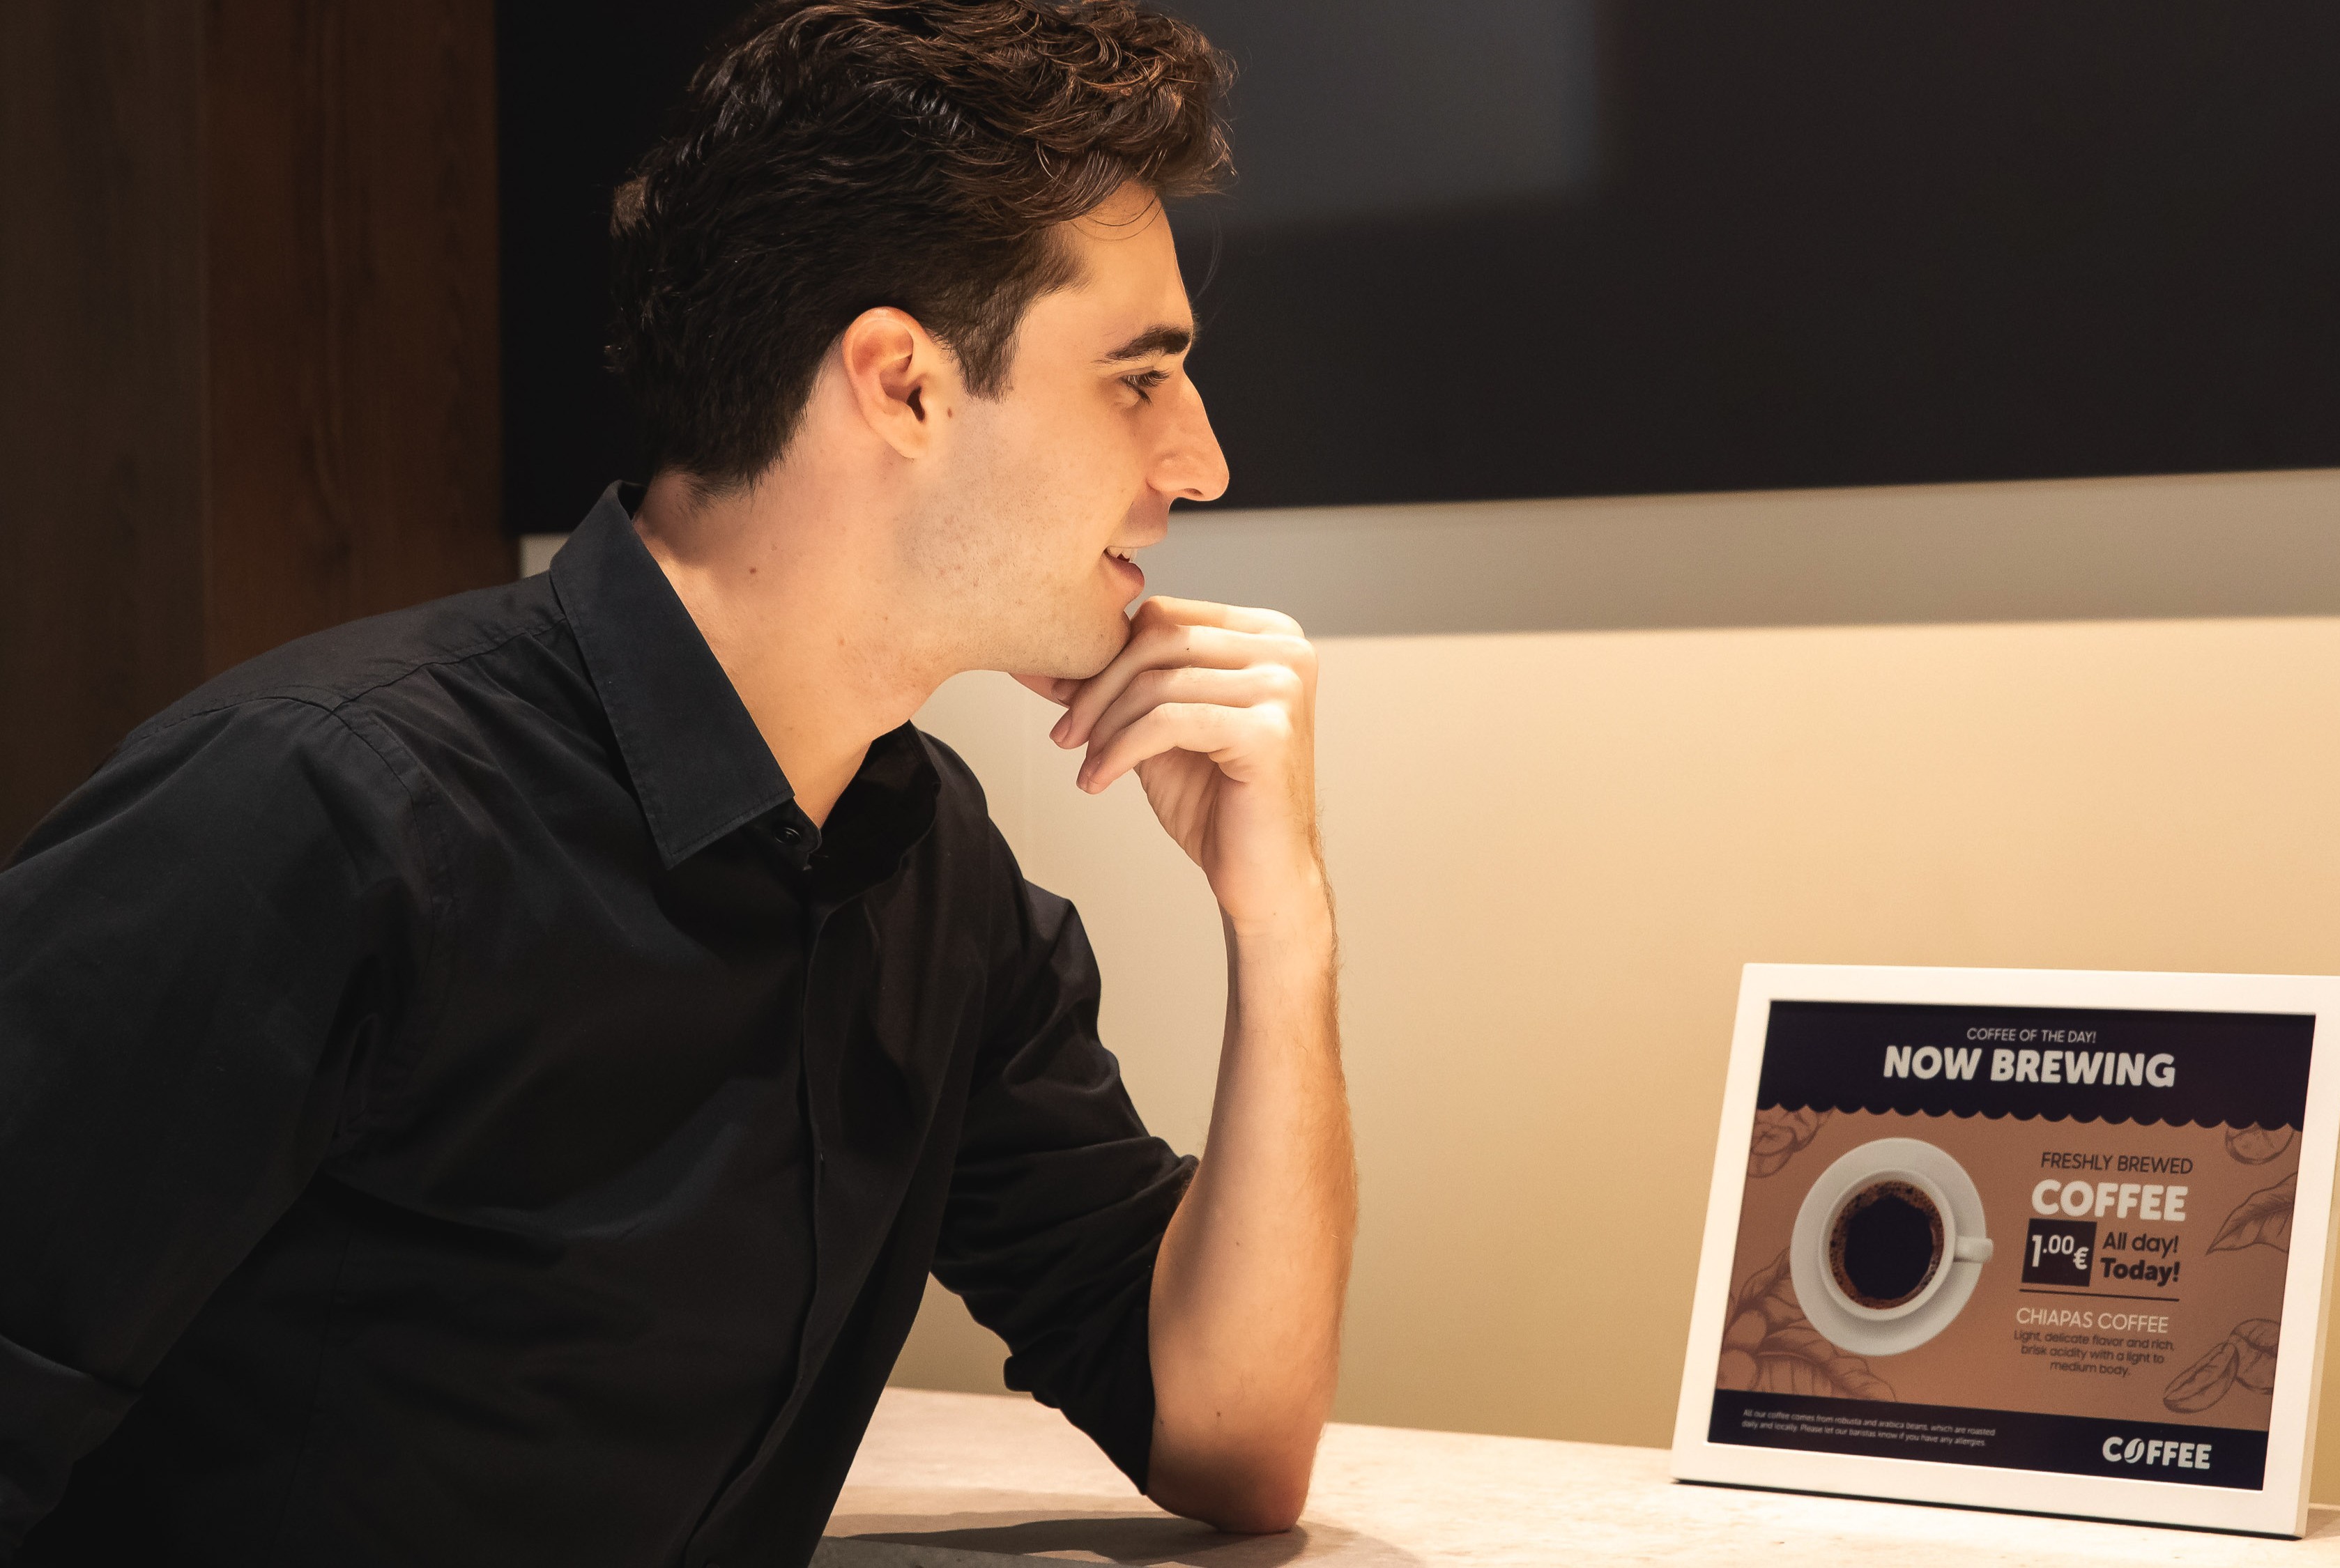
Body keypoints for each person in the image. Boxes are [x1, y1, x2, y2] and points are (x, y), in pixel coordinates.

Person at [0, 2, 1354, 1562]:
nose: (1200, 460)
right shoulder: (322, 811)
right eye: (1138, 377)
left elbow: (1229, 1439)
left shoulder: (927, 877)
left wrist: (1286, 924)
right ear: (901, 384)